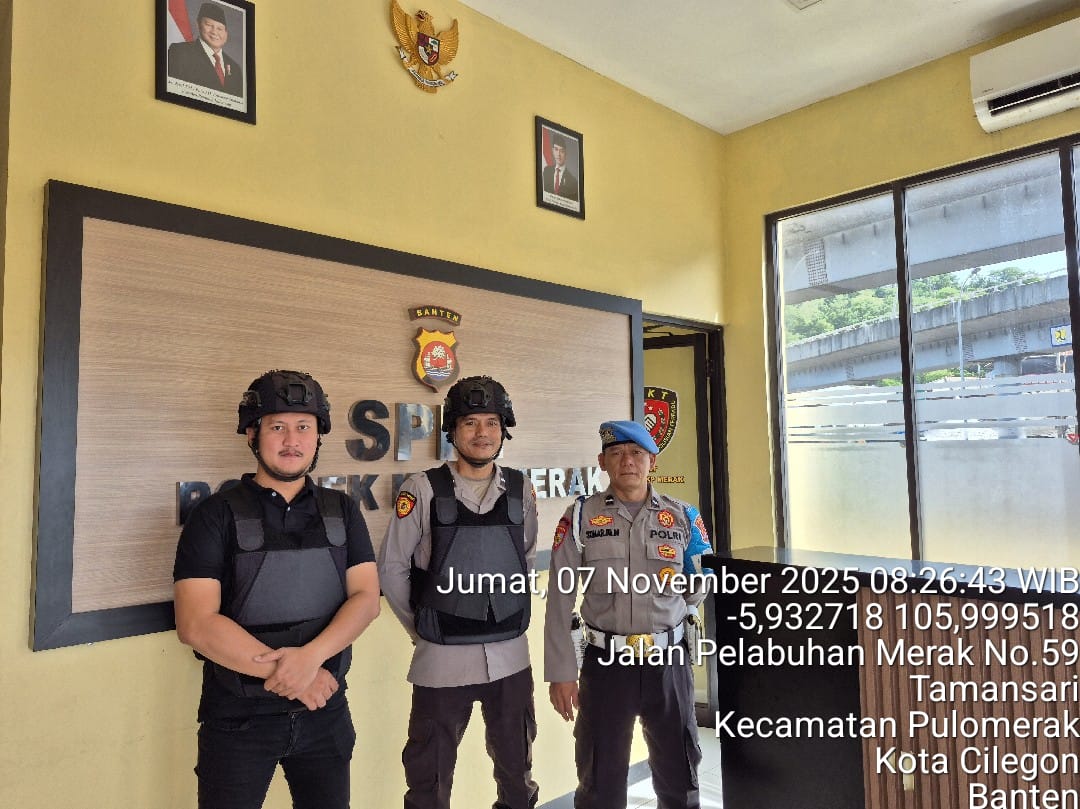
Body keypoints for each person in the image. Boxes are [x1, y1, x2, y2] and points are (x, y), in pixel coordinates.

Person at [174, 369, 380, 809]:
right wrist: (296, 677)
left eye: (304, 426)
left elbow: (366, 599)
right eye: (277, 427)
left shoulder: (342, 510)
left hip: (325, 712)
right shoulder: (214, 515)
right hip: (239, 723)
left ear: (318, 436)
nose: (292, 440)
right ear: (253, 433)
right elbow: (196, 623)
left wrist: (309, 660)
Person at [378, 375, 540, 809]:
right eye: (470, 423)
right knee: (429, 781)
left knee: (517, 774)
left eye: (492, 423)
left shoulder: (521, 489)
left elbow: (523, 558)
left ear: (503, 430)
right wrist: (425, 628)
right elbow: (391, 569)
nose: (482, 433)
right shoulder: (422, 488)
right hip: (441, 663)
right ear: (452, 430)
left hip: (511, 657)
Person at [544, 420, 714, 809]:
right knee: (600, 779)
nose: (628, 462)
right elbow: (560, 597)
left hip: (668, 662)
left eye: (637, 453)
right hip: (605, 664)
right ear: (602, 462)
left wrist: (671, 614)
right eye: (617, 453)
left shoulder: (683, 516)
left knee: (680, 775)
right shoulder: (581, 516)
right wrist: (561, 671)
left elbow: (699, 581)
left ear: (653, 461)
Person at [168, 2, 244, 96]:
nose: (214, 32)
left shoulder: (235, 69)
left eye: (220, 28)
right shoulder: (179, 52)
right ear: (198, 25)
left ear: (226, 34)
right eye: (209, 25)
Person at [542, 132, 579, 201]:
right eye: (556, 149)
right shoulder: (546, 171)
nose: (558, 154)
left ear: (566, 154)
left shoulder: (573, 182)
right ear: (553, 151)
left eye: (561, 151)